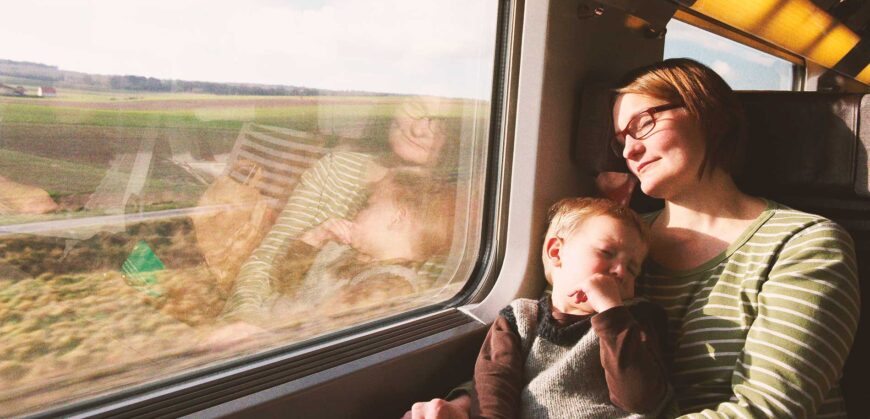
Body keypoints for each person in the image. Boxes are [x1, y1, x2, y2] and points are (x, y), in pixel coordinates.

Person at [404, 58, 859, 418]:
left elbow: (771, 410)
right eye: (622, 137)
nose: (629, 150)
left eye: (644, 124)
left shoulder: (805, 244)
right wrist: (467, 405)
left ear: (708, 114)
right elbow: (549, 349)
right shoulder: (616, 239)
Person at [220, 95, 459, 326]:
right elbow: (266, 263)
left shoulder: (453, 213)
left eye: (443, 122)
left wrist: (262, 340)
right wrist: (242, 323)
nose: (420, 130)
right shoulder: (336, 169)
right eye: (417, 107)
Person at [472, 197, 670, 418]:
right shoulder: (520, 319)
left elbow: (639, 398)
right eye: (607, 253)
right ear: (556, 252)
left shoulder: (634, 319)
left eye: (633, 269)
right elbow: (494, 388)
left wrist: (611, 311)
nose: (621, 272)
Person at [267, 169, 456, 318]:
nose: (357, 213)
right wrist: (314, 238)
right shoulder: (343, 251)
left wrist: (260, 334)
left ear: (397, 220)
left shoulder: (389, 287)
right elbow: (285, 286)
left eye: (368, 205)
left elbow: (315, 331)